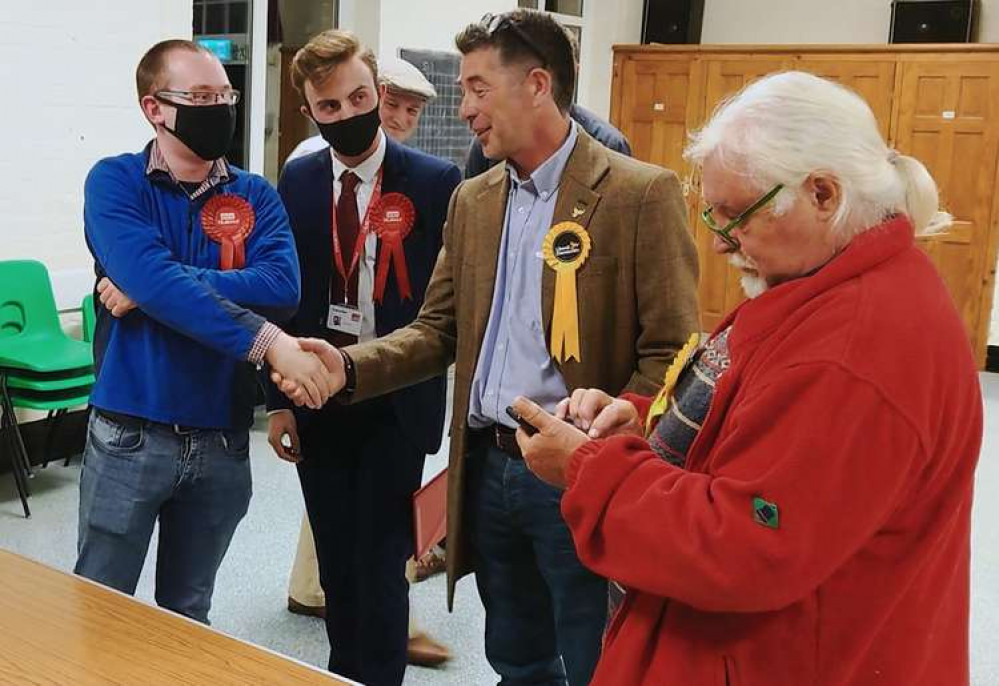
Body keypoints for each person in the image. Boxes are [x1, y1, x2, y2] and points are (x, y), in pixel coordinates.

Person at [511, 71, 983, 686]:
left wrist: (588, 469)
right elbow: (758, 420)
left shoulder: (854, 347)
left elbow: (747, 544)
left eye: (737, 216)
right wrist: (649, 421)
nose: (720, 242)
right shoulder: (829, 282)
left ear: (823, 194)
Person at [273, 10, 700, 686]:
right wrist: (348, 365)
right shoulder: (474, 200)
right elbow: (435, 329)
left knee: (597, 657)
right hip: (488, 469)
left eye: (476, 88)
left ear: (535, 84)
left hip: (576, 472)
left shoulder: (638, 194)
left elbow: (674, 351)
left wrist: (606, 427)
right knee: (516, 656)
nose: (465, 108)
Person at [77, 39, 336, 624]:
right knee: (100, 606)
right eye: (199, 97)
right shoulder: (115, 183)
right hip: (129, 432)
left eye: (225, 95)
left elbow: (280, 288)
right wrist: (267, 341)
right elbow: (154, 276)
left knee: (189, 614)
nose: (218, 107)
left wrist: (152, 287)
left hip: (220, 436)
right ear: (154, 108)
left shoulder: (255, 195)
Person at [263, 30, 461, 686]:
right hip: (317, 398)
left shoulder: (435, 183)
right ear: (309, 113)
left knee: (381, 569)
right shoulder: (298, 177)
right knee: (338, 568)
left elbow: (444, 311)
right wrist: (279, 401)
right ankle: (343, 673)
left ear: (378, 91)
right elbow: (288, 298)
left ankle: (375, 675)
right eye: (330, 107)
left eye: (359, 97)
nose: (348, 115)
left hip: (395, 401)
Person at [463, 29, 631, 178]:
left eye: (479, 90)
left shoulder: (608, 143)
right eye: (463, 91)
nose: (465, 111)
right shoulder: (485, 147)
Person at [286, 55, 437, 161]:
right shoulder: (311, 155)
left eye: (412, 110)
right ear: (378, 96)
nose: (400, 119)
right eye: (392, 104)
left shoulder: (421, 173)